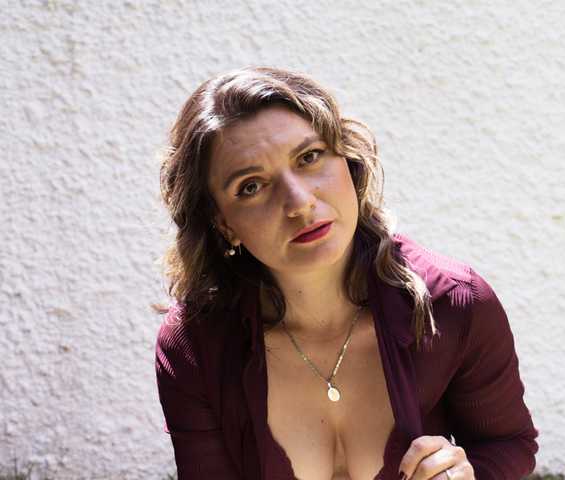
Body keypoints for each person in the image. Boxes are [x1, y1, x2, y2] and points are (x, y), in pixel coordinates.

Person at [154, 66, 539, 480]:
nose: (299, 203)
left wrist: (468, 474)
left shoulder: (455, 304)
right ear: (222, 223)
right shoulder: (194, 347)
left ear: (347, 159)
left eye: (309, 157)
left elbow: (508, 442)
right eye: (251, 186)